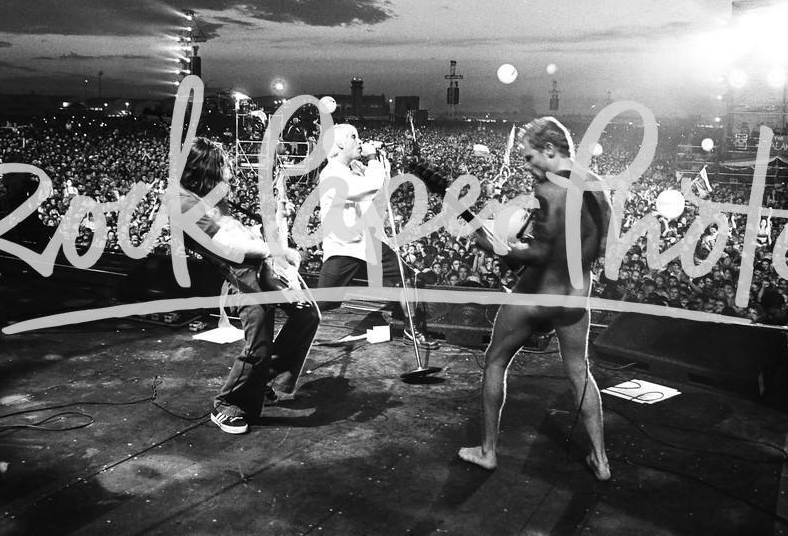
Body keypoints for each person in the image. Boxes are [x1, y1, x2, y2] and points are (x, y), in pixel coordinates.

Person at [458, 116, 612, 481]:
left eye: (529, 158)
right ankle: (601, 460)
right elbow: (602, 242)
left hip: (539, 292)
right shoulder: (598, 186)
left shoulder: (549, 192)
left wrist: (492, 243)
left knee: (495, 361)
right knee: (579, 372)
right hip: (575, 296)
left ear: (549, 150)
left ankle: (488, 451)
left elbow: (535, 255)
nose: (526, 166)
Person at [177, 138, 319, 435]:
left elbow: (234, 230)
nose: (228, 174)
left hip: (258, 271)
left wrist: (270, 226)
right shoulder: (183, 203)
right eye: (222, 168)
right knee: (259, 346)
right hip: (242, 280)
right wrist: (272, 250)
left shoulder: (211, 197)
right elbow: (226, 244)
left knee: (307, 315)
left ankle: (262, 379)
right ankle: (227, 405)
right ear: (203, 169)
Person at [314, 124, 439, 349]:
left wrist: (381, 161)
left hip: (369, 243)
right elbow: (371, 185)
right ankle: (283, 320)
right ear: (340, 143)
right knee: (324, 300)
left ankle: (412, 330)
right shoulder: (331, 173)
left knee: (406, 277)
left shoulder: (352, 169)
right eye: (355, 137)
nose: (360, 141)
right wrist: (372, 157)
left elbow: (381, 186)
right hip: (345, 247)